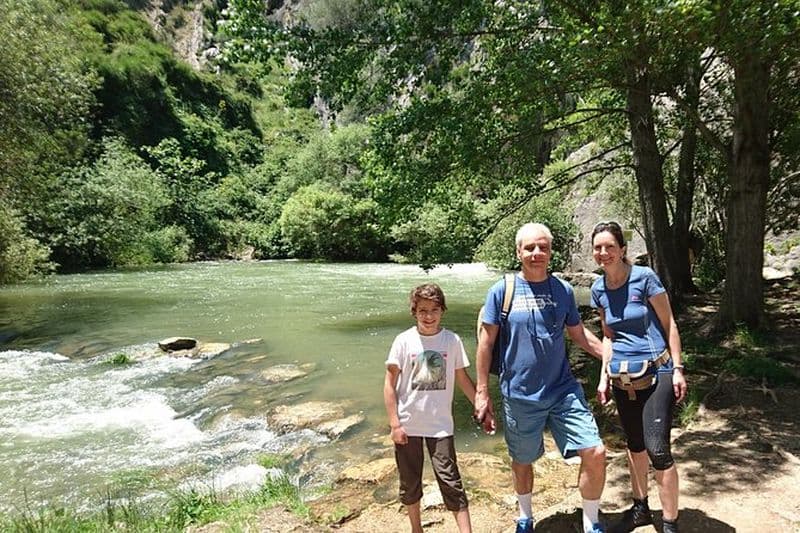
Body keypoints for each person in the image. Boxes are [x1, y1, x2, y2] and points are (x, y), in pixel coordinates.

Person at [475, 222, 608, 533]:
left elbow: (580, 335)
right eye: (530, 248)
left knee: (595, 450)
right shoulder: (502, 290)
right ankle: (525, 517)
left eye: (543, 247)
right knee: (523, 460)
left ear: (550, 251)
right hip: (519, 394)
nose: (537, 253)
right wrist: (482, 391)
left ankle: (591, 522)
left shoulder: (562, 290)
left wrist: (617, 358)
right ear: (519, 252)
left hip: (562, 390)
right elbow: (486, 343)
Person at [589, 221, 688, 533]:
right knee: (634, 445)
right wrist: (604, 377)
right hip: (622, 376)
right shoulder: (598, 289)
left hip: (658, 370)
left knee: (658, 449)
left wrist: (678, 369)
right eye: (598, 248)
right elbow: (607, 336)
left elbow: (669, 323)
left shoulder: (644, 279)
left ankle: (670, 523)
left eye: (609, 247)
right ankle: (640, 509)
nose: (603, 253)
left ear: (622, 249)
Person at [384, 283, 495, 533]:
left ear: (442, 310)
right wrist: (394, 424)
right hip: (407, 424)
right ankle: (416, 529)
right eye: (422, 310)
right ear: (414, 311)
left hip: (441, 426)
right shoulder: (403, 341)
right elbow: (389, 385)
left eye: (434, 309)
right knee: (410, 482)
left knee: (451, 480)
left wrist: (483, 407)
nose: (429, 316)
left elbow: (463, 380)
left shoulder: (451, 340)